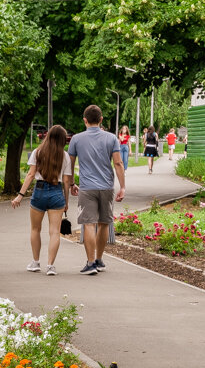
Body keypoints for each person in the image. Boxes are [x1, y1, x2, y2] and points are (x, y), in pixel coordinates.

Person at [68, 105, 126, 276]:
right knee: (103, 223)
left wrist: (72, 184)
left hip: (87, 188)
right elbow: (118, 163)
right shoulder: (112, 138)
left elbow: (70, 164)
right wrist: (122, 186)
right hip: (107, 187)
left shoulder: (76, 139)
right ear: (101, 120)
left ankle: (90, 262)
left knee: (88, 224)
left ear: (85, 120)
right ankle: (100, 259)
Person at [11, 125, 70, 276]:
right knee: (54, 232)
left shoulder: (38, 152)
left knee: (35, 229)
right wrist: (66, 201)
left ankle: (36, 262)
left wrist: (20, 195)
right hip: (57, 193)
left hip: (40, 191)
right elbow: (66, 181)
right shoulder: (65, 156)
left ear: (48, 136)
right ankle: (50, 266)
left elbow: (31, 175)